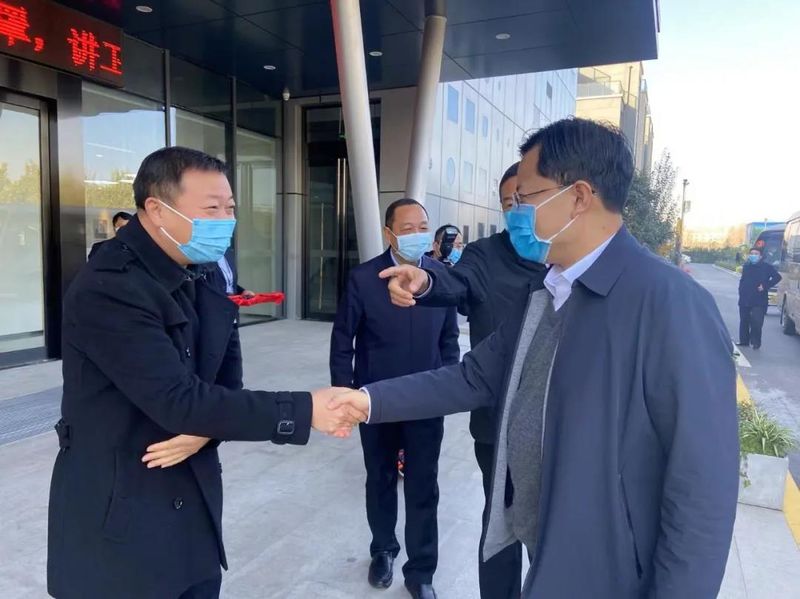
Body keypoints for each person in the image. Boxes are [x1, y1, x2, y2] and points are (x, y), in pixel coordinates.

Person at [329, 118, 738, 599]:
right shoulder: (549, 293)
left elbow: (702, 492)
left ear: (578, 197)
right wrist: (366, 401)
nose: (517, 213)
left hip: (609, 575)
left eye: (526, 197)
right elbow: (470, 378)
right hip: (545, 551)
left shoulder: (670, 304)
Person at [48, 147, 362, 599]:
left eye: (230, 208)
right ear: (157, 209)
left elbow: (224, 382)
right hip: (119, 518)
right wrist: (305, 408)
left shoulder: (206, 272)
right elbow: (178, 401)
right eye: (212, 209)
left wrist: (205, 428)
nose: (226, 221)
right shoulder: (110, 286)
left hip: (193, 512)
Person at [378, 161, 546, 599]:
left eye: (526, 199)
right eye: (509, 202)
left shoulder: (566, 257)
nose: (518, 211)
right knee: (501, 525)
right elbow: (455, 281)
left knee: (553, 535)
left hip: (556, 423)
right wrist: (423, 280)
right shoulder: (486, 256)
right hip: (497, 421)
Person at [330, 198, 460, 599]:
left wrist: (449, 385)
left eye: (423, 226)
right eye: (407, 228)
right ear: (389, 233)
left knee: (423, 484)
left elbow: (450, 340)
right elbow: (342, 340)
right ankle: (383, 550)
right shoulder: (364, 278)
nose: (417, 233)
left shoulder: (440, 277)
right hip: (376, 399)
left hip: (427, 399)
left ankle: (421, 571)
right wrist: (344, 396)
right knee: (381, 478)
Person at [738, 246, 782, 350]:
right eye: (752, 254)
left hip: (759, 299)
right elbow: (743, 279)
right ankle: (744, 340)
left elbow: (777, 277)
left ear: (760, 256)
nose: (753, 255)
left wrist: (765, 286)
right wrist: (741, 289)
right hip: (745, 298)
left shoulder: (766, 267)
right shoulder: (746, 266)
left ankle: (756, 342)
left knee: (756, 322)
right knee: (744, 320)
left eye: (756, 254)